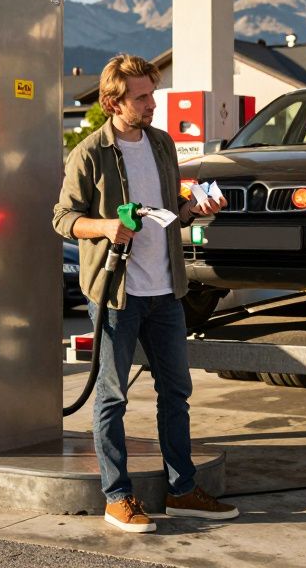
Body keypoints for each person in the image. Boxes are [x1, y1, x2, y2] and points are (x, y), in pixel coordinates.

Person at [53, 54, 237, 534]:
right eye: (142, 97)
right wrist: (107, 226)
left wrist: (198, 207)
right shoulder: (90, 153)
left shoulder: (161, 143)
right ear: (114, 101)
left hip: (165, 289)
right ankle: (118, 497)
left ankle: (182, 490)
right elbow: (63, 219)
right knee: (112, 397)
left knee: (176, 392)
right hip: (116, 293)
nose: (152, 103)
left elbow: (170, 208)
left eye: (152, 94)